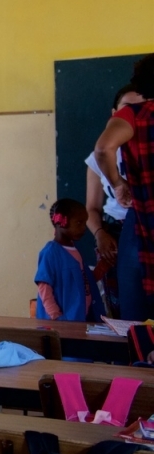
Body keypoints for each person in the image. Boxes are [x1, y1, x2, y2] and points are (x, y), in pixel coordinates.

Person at [95, 54, 154, 320]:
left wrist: (118, 184)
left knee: (137, 320)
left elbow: (104, 148)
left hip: (143, 224)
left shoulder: (132, 115)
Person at [84, 84, 145, 317]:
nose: (135, 114)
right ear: (115, 114)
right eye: (128, 108)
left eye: (142, 108)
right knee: (120, 305)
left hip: (144, 228)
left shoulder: (147, 147)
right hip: (113, 233)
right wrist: (100, 234)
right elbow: (91, 208)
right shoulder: (98, 158)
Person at [34, 199, 103, 322]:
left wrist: (104, 266)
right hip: (62, 324)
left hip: (79, 320)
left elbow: (84, 281)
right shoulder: (50, 252)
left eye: (84, 223)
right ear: (62, 222)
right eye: (79, 223)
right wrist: (55, 316)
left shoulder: (75, 251)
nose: (84, 228)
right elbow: (44, 286)